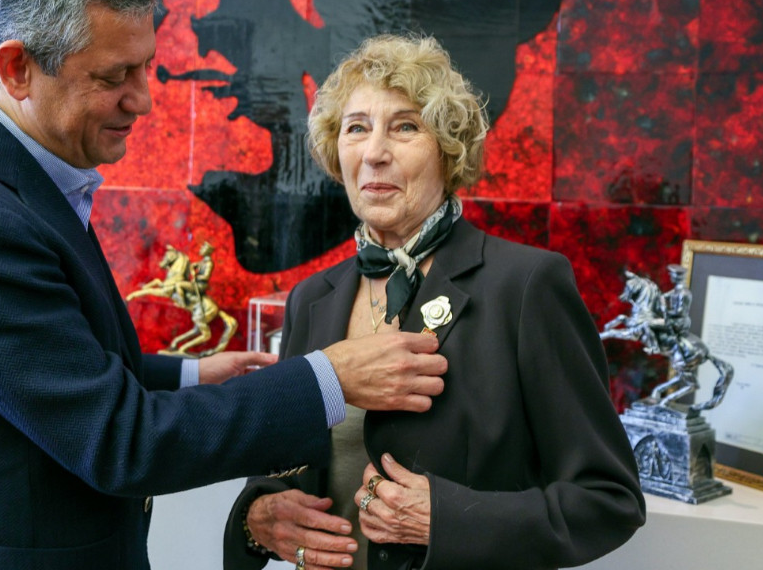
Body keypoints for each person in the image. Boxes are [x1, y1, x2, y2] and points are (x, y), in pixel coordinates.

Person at [0, 0, 450, 570]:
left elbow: (49, 365)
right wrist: (330, 380)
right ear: (18, 67)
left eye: (144, 67)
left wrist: (190, 375)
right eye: (114, 76)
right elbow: (120, 441)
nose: (142, 101)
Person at [223, 35, 645, 570]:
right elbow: (275, 469)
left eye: (405, 127)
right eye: (356, 128)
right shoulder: (312, 298)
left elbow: (608, 501)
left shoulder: (525, 286)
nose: (374, 153)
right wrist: (257, 516)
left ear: (448, 150)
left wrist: (446, 520)